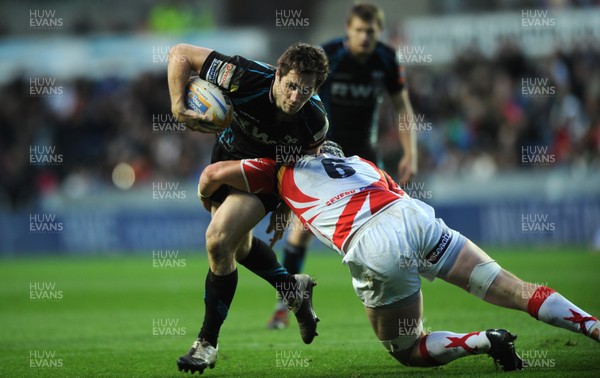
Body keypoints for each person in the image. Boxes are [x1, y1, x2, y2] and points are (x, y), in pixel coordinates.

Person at [197, 141, 599, 371]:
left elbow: (212, 176)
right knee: (514, 288)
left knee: (408, 349)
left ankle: (483, 341)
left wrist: (208, 204)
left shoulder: (276, 166)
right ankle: (592, 325)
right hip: (412, 216)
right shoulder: (359, 162)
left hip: (374, 244)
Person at [167, 42, 329, 374]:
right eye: (292, 85)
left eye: (306, 89)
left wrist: (286, 206)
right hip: (227, 157)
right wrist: (177, 106)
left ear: (316, 89)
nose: (297, 95)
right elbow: (180, 52)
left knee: (218, 241)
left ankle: (206, 343)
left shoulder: (315, 122)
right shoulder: (243, 76)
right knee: (237, 249)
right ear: (278, 75)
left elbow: (302, 167)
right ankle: (291, 289)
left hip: (264, 176)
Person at [269, 3, 418, 329]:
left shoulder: (386, 59)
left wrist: (410, 153)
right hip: (325, 149)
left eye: (371, 32)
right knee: (302, 228)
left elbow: (402, 106)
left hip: (365, 154)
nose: (365, 37)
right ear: (348, 30)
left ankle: (398, 301)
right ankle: (286, 302)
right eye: (359, 31)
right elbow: (303, 100)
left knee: (385, 223)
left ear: (379, 32)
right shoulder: (331, 56)